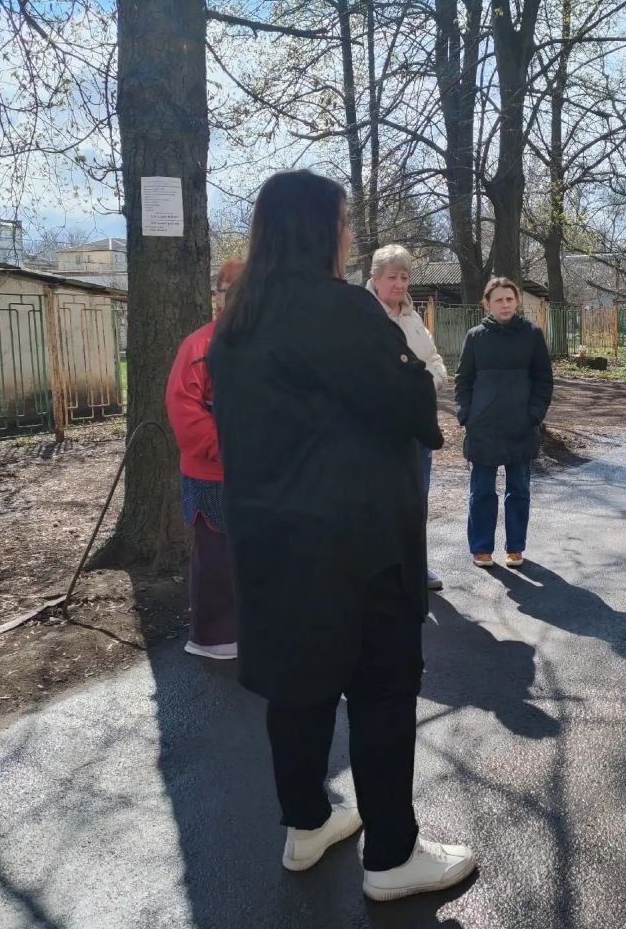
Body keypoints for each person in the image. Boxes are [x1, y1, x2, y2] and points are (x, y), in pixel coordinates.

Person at [208, 170, 475, 901]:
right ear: (320, 228)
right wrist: (410, 367)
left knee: (299, 689)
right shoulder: (340, 309)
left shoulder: (240, 320)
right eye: (345, 221)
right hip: (357, 544)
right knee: (383, 690)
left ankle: (307, 823)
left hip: (271, 544)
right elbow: (412, 404)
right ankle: (392, 856)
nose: (351, 234)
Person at [165, 259, 244, 660]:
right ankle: (213, 638)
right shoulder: (198, 346)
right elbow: (185, 411)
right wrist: (231, 448)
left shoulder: (264, 342)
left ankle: (249, 628)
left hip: (257, 474)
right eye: (233, 291)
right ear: (218, 297)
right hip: (211, 473)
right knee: (215, 558)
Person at [455, 276, 554, 569]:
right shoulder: (475, 337)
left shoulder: (532, 334)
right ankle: (481, 549)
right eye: (498, 299)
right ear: (487, 304)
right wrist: (465, 415)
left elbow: (543, 380)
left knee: (519, 491)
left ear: (516, 302)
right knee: (482, 492)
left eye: (510, 299)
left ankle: (515, 548)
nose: (505, 304)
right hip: (483, 428)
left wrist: (534, 415)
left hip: (520, 427)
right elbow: (463, 380)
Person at [367, 244, 448, 591]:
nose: (399, 284)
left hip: (418, 428)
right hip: (379, 432)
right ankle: (382, 570)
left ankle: (417, 564)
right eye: (392, 277)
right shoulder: (362, 316)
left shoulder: (414, 318)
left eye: (404, 277)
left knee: (417, 500)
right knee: (381, 501)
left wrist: (427, 382)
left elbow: (435, 360)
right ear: (375, 278)